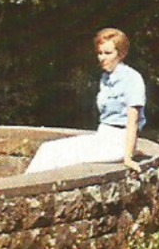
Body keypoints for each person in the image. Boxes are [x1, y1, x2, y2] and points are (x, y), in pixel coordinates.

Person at [26, 28, 147, 174]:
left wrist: (128, 156)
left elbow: (133, 121)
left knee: (62, 157)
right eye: (100, 53)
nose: (102, 58)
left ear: (121, 54)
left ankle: (24, 192)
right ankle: (23, 189)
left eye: (108, 53)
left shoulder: (132, 79)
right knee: (48, 148)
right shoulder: (106, 78)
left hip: (118, 143)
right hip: (103, 136)